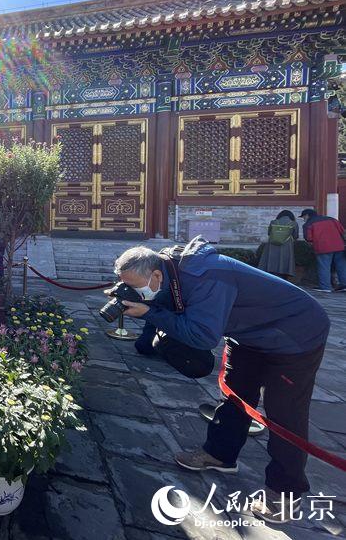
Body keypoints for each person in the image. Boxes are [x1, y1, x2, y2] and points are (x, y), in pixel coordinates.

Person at [114, 237, 329, 524]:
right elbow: (175, 305)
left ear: (155, 274)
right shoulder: (170, 271)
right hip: (250, 334)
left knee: (285, 413)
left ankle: (285, 492)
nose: (138, 293)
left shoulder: (207, 277)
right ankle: (219, 454)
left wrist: (151, 312)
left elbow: (202, 336)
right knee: (235, 396)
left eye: (137, 287)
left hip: (295, 334)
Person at [299, 208, 346, 293]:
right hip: (339, 246)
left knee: (324, 266)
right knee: (341, 266)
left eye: (303, 217)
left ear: (307, 215)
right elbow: (342, 231)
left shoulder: (308, 224)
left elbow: (308, 238)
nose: (304, 219)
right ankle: (344, 285)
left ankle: (325, 287)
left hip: (323, 247)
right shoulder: (332, 219)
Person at [257, 210, 298, 280]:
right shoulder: (293, 223)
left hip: (272, 245)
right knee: (285, 261)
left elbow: (269, 233)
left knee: (270, 260)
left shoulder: (273, 222)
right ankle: (283, 278)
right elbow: (295, 236)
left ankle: (270, 277)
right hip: (287, 245)